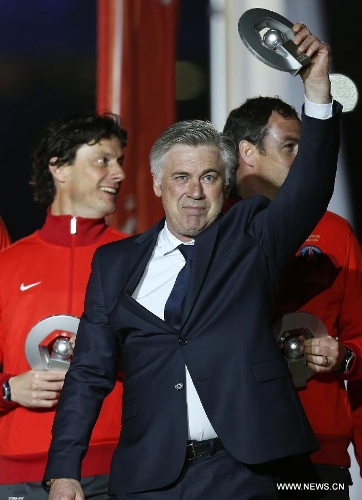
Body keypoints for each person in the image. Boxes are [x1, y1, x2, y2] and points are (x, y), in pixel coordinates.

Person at [44, 24, 340, 500]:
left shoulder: (252, 237)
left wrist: (317, 90)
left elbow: (309, 189)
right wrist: (64, 469)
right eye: (180, 177)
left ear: (226, 183)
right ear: (158, 185)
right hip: (151, 477)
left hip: (251, 469)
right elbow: (89, 373)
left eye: (208, 177)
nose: (195, 192)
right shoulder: (115, 264)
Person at [223, 95, 362, 499]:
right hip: (230, 447)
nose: (304, 157)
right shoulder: (209, 232)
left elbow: (358, 335)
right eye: (290, 146)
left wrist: (345, 355)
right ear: (247, 152)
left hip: (317, 448)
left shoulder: (335, 234)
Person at [0, 112, 129, 500]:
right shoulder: (7, 264)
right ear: (59, 168)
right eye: (103, 160)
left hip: (116, 466)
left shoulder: (140, 257)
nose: (119, 173)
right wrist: (7, 390)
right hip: (20, 471)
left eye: (120, 160)